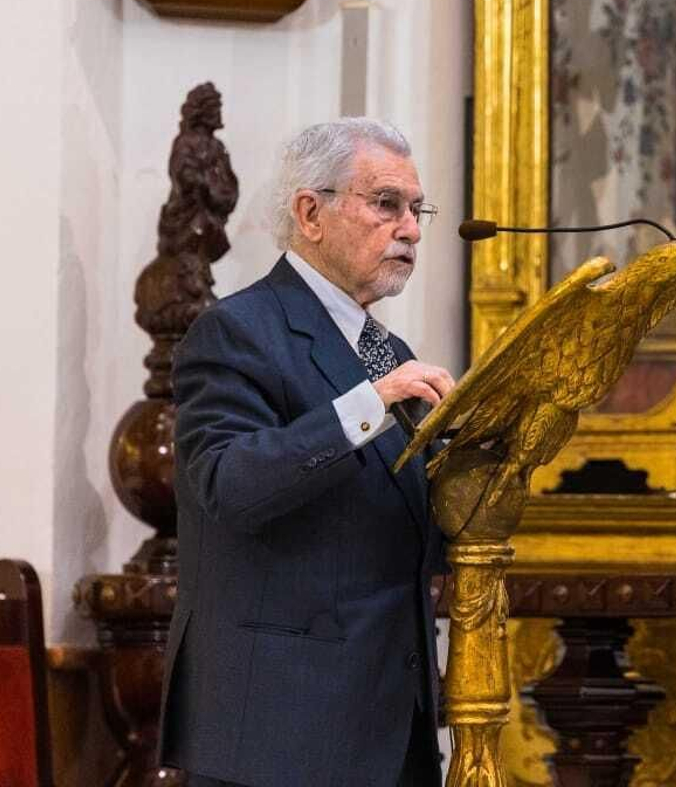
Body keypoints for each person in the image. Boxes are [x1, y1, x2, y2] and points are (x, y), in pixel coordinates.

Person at [159, 118, 457, 787]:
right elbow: (231, 484)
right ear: (310, 212)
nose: (411, 228)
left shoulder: (390, 353)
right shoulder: (236, 331)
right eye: (386, 204)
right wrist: (369, 405)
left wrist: (484, 462)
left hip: (388, 728)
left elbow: (404, 537)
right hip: (278, 736)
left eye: (417, 209)